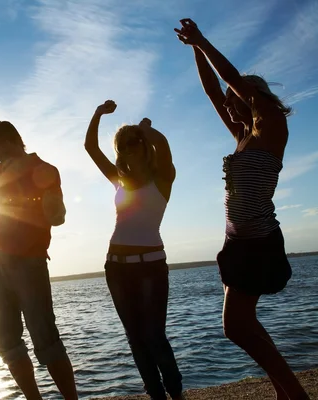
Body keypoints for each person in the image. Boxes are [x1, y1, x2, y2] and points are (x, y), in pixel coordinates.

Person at [175, 18, 309, 400]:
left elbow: (230, 79)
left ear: (250, 98)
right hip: (236, 241)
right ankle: (289, 391)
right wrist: (195, 50)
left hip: (259, 240)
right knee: (238, 325)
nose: (228, 110)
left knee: (236, 325)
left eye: (235, 103)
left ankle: (293, 393)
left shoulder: (271, 124)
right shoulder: (242, 135)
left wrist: (204, 40)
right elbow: (213, 91)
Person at [0, 122, 78, 400]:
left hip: (30, 264)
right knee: (7, 342)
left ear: (13, 140)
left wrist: (54, 209)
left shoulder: (43, 169)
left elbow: (57, 217)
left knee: (46, 341)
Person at [84, 101, 183, 400]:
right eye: (121, 146)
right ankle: (156, 395)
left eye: (132, 143)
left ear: (142, 145)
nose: (126, 149)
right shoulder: (119, 180)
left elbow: (162, 144)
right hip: (116, 266)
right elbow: (90, 147)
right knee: (136, 339)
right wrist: (98, 114)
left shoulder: (163, 177)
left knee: (154, 335)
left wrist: (143, 129)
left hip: (150, 264)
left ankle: (176, 393)